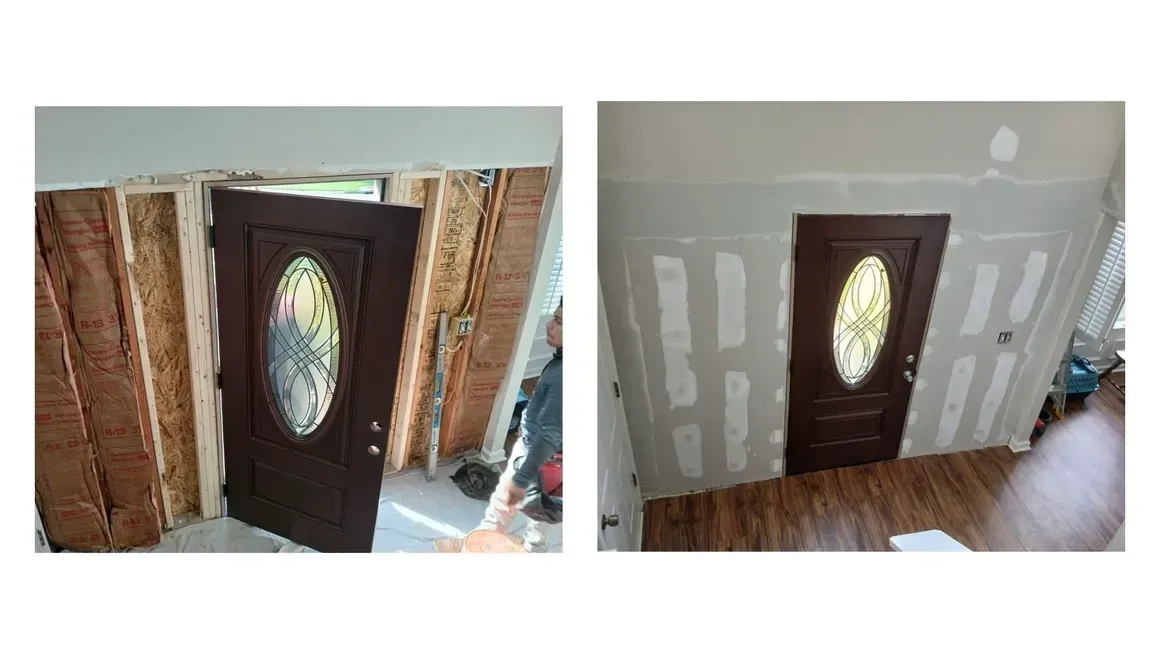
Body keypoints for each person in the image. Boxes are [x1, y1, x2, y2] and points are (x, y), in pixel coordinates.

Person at [474, 296, 563, 552]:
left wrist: (522, 478)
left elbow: (551, 434)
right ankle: (530, 548)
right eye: (554, 318)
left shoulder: (561, 377)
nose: (549, 325)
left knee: (503, 510)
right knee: (539, 514)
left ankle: (483, 549)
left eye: (559, 321)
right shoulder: (563, 361)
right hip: (549, 458)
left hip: (539, 456)